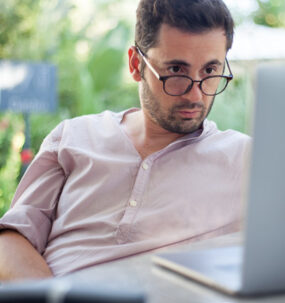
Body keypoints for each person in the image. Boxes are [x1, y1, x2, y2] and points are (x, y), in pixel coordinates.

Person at [0, 0, 251, 281]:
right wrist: (52, 298)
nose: (195, 96)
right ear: (136, 64)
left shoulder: (247, 159)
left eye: (209, 71)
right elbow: (11, 239)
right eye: (177, 71)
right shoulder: (73, 137)